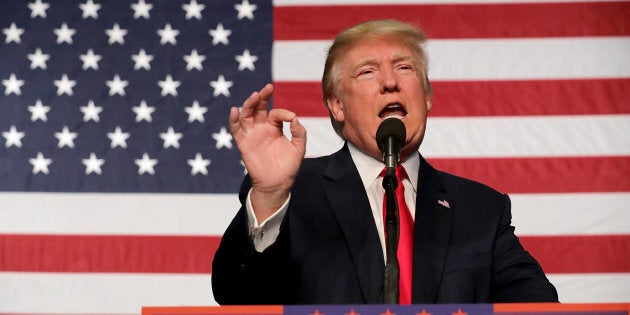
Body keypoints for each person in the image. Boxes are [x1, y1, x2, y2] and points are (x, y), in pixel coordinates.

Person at [211, 19, 558, 304]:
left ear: (427, 96)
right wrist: (271, 194)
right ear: (337, 106)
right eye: (367, 72)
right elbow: (236, 297)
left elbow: (537, 306)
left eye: (404, 68)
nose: (390, 82)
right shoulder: (295, 192)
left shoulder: (481, 209)